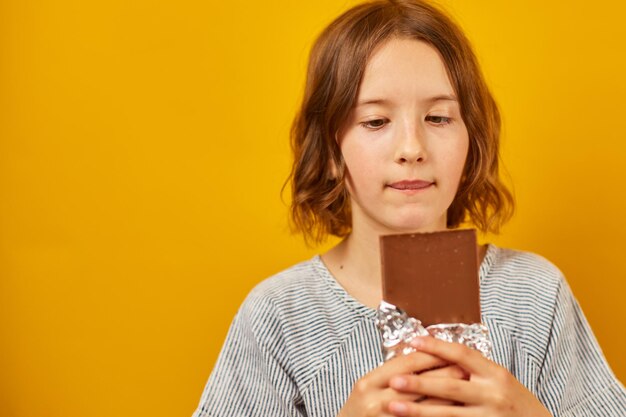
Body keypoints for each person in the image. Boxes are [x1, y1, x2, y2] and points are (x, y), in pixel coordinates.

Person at [192, 1, 626, 416]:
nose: (412, 149)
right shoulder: (278, 316)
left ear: (471, 138)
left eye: (438, 118)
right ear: (329, 149)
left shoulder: (534, 296)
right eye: (376, 121)